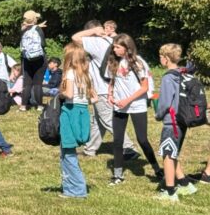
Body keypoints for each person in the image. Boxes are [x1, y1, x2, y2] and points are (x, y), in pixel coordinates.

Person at [74, 21, 137, 159]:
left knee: (108, 120)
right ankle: (90, 150)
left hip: (102, 89)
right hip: (110, 87)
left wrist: (93, 31)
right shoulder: (111, 41)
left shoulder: (97, 42)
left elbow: (75, 37)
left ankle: (129, 148)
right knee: (98, 121)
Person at [106, 34, 162, 186]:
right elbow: (112, 80)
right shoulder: (113, 61)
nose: (114, 49)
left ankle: (157, 169)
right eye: (114, 47)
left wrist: (127, 100)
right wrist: (110, 94)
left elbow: (144, 87)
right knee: (118, 140)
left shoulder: (137, 62)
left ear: (127, 47)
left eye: (118, 47)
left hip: (137, 105)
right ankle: (118, 175)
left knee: (142, 139)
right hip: (119, 106)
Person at [155, 45, 196, 202]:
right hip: (182, 120)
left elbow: (165, 102)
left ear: (166, 58)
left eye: (161, 56)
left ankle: (170, 192)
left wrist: (158, 114)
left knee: (167, 155)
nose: (160, 59)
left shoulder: (168, 77)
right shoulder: (183, 73)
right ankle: (185, 185)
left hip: (171, 122)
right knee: (172, 153)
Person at [57, 43, 97, 199]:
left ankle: (77, 190)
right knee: (69, 152)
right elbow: (95, 98)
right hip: (82, 112)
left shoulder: (69, 74)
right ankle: (71, 187)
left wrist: (59, 93)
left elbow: (69, 94)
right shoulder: (87, 76)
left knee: (67, 153)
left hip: (70, 111)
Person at [19, 11, 47, 111]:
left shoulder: (23, 29)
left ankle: (23, 106)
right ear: (35, 19)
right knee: (37, 83)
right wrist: (38, 26)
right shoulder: (38, 29)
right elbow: (43, 44)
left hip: (27, 59)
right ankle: (39, 106)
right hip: (39, 59)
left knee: (27, 83)